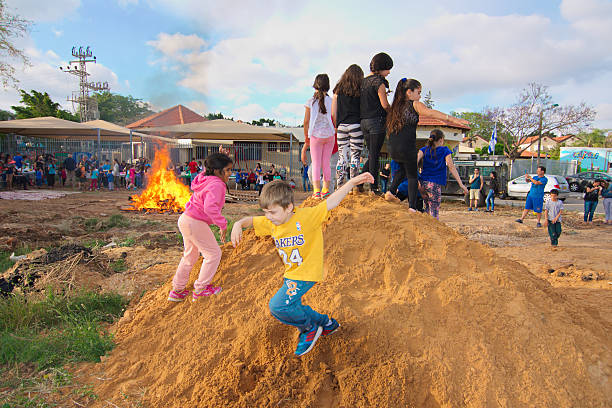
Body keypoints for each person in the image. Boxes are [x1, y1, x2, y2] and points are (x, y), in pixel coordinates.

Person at [230, 172, 375, 356]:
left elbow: (330, 203)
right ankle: (327, 323)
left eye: (273, 212)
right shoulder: (272, 223)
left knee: (278, 306)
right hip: (292, 275)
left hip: (306, 272)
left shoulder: (306, 217)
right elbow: (251, 221)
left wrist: (352, 182)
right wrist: (238, 224)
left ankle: (309, 328)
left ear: (289, 207)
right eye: (265, 212)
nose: (269, 216)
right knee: (293, 306)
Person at [385, 78, 465, 209]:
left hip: (393, 147)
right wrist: (452, 118)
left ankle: (390, 192)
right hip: (407, 146)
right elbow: (430, 113)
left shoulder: (395, 107)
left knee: (402, 169)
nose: (420, 96)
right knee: (412, 177)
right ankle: (412, 207)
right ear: (409, 92)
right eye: (418, 92)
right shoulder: (414, 104)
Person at [167, 153, 233, 302]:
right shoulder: (217, 184)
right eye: (227, 170)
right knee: (213, 254)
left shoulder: (204, 178)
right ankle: (201, 289)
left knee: (190, 256)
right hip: (195, 221)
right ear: (217, 171)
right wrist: (223, 224)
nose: (230, 173)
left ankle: (177, 290)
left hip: (186, 219)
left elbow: (207, 168)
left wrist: (221, 155)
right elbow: (210, 208)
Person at [417, 129, 468, 219]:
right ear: (441, 140)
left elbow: (414, 163)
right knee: (434, 210)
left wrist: (417, 182)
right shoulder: (445, 150)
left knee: (427, 208)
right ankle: (433, 230)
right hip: (434, 184)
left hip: (422, 183)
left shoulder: (423, 150)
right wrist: (461, 184)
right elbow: (451, 167)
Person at [360, 53, 393, 193]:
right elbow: (385, 105)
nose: (389, 72)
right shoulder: (378, 83)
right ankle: (374, 187)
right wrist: (393, 113)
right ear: (381, 68)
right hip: (377, 121)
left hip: (363, 122)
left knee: (372, 153)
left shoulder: (362, 82)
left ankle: (358, 183)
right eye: (388, 69)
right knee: (374, 154)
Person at [301, 73, 335, 199]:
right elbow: (334, 117)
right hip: (330, 135)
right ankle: (325, 190)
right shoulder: (331, 101)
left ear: (315, 85)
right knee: (326, 162)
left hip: (315, 136)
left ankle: (316, 191)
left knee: (316, 163)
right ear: (328, 86)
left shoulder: (310, 101)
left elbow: (306, 122)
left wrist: (306, 136)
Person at [332, 64, 364, 187]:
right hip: (356, 125)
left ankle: (340, 186)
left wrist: (336, 125)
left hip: (341, 127)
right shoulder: (360, 90)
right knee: (355, 156)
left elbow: (333, 112)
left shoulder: (338, 90)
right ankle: (352, 186)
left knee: (342, 157)